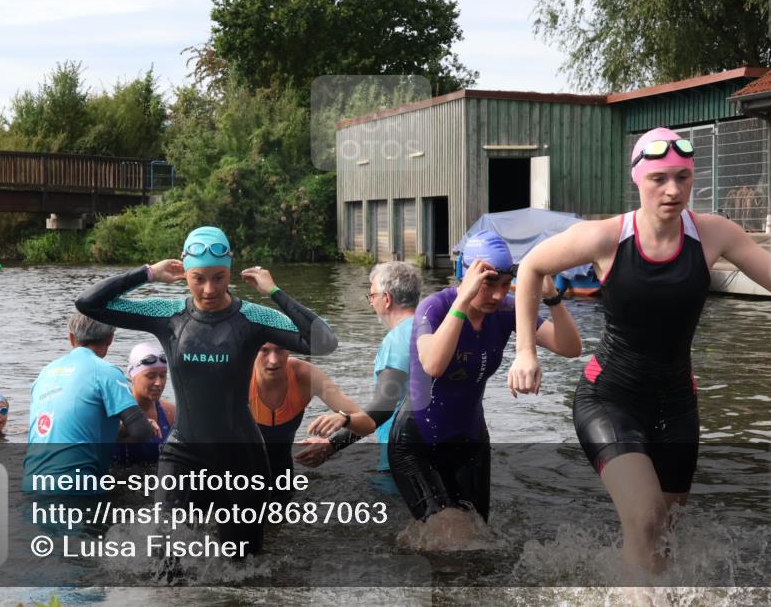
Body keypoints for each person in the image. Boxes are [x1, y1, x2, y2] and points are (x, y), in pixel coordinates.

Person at [507, 126, 771, 577]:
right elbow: (531, 266)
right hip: (609, 399)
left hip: (678, 405)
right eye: (659, 178)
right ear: (637, 179)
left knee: (665, 534)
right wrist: (527, 351)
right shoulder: (606, 237)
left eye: (682, 177)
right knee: (646, 519)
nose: (672, 189)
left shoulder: (713, 234)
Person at [75, 225, 338, 555]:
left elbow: (325, 342)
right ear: (185, 272)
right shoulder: (168, 315)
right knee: (163, 557)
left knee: (243, 565)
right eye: (198, 278)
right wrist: (147, 274)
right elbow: (89, 304)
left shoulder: (252, 318)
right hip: (183, 452)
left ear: (229, 272)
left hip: (242, 458)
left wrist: (274, 290)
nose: (209, 289)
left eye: (218, 277)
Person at [388, 230, 582, 542]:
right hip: (418, 442)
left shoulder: (506, 311)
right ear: (465, 275)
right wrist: (463, 300)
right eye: (488, 283)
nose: (496, 295)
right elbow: (433, 365)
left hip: (470, 440)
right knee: (451, 533)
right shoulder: (434, 308)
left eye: (505, 285)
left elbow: (571, 348)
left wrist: (552, 299)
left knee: (478, 539)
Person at [295, 261, 420, 476]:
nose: (371, 303)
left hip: (403, 458)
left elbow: (383, 407)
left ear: (386, 299)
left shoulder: (397, 340)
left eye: (372, 296)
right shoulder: (434, 328)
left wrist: (333, 442)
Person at [23, 313, 154, 489]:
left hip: (32, 482)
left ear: (71, 338)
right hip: (77, 485)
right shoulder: (107, 372)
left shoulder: (44, 373)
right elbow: (141, 432)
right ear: (110, 339)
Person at [249, 342, 373, 499]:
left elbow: (368, 425)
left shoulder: (305, 374)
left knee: (280, 520)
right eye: (263, 350)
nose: (273, 360)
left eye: (281, 348)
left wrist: (344, 418)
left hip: (282, 477)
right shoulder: (235, 377)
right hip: (234, 475)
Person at [112, 342, 177, 466]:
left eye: (163, 376)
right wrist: (128, 429)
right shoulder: (114, 413)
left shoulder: (170, 413)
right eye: (150, 376)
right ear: (132, 376)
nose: (158, 383)